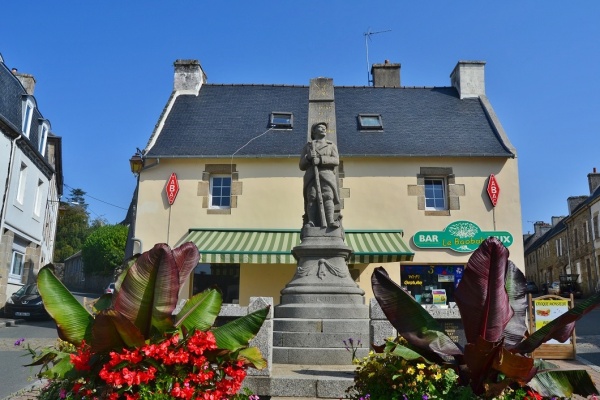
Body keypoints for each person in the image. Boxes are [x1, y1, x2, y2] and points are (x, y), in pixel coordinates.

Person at [299, 122, 341, 228]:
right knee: (312, 197)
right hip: (311, 175)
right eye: (320, 128)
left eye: (324, 128)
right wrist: (308, 157)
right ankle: (311, 221)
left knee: (328, 196)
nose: (323, 129)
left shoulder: (331, 145)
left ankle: (330, 221)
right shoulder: (308, 146)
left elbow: (336, 161)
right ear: (314, 131)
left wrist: (321, 160)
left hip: (327, 175)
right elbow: (301, 165)